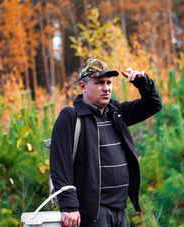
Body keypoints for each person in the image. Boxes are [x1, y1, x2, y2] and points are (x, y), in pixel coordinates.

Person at [50, 58, 162, 227]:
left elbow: (153, 105)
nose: (106, 88)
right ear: (82, 86)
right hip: (93, 213)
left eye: (109, 82)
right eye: (99, 82)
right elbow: (59, 165)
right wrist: (69, 205)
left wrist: (143, 82)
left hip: (120, 210)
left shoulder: (116, 112)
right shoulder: (71, 117)